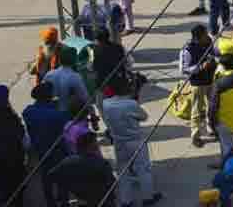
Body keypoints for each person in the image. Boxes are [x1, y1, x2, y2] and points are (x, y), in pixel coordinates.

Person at [101, 77, 162, 206]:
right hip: (135, 140)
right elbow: (144, 116)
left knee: (122, 171)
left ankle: (126, 200)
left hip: (118, 141)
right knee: (143, 169)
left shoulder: (106, 104)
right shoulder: (131, 104)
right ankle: (147, 196)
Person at [24, 82, 72, 207]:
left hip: (40, 149)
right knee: (63, 177)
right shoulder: (56, 115)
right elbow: (66, 119)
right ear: (48, 96)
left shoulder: (28, 112)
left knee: (46, 177)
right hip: (58, 149)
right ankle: (64, 201)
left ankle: (50, 202)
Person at [50, 131, 116, 207]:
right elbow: (112, 184)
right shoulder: (101, 163)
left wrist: (66, 187)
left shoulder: (68, 161)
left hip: (80, 197)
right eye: (95, 142)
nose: (97, 144)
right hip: (100, 200)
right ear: (91, 145)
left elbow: (51, 175)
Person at [180, 24, 217, 148]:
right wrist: (201, 67)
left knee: (212, 106)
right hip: (198, 84)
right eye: (205, 35)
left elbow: (215, 52)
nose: (208, 36)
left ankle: (211, 126)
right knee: (197, 109)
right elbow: (184, 69)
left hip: (211, 80)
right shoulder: (187, 50)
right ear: (198, 37)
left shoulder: (209, 42)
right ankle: (195, 135)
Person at [44, 46, 89, 112]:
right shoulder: (75, 77)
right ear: (74, 60)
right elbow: (84, 97)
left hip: (51, 112)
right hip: (68, 113)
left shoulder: (49, 74)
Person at [92, 28, 131, 97]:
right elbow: (128, 62)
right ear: (109, 36)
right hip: (119, 79)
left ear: (96, 39)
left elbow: (93, 67)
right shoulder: (119, 47)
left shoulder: (94, 50)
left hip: (102, 83)